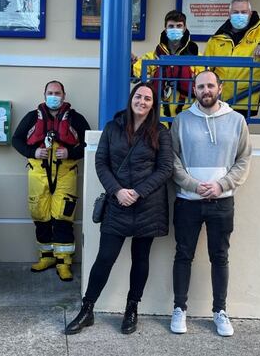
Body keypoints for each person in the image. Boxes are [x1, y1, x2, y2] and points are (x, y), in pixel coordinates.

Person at [65, 82, 173, 336]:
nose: (142, 102)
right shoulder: (113, 128)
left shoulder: (160, 132)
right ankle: (87, 309)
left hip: (148, 205)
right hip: (118, 203)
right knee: (105, 258)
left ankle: (131, 309)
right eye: (138, 96)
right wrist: (118, 191)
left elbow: (165, 168)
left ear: (153, 104)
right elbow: (101, 162)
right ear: (131, 99)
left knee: (141, 259)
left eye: (147, 99)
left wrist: (138, 192)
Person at [169, 70, 252, 337]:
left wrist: (221, 185)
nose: (206, 90)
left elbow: (243, 159)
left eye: (210, 86)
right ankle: (179, 308)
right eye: (201, 86)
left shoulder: (237, 121)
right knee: (183, 254)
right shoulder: (181, 121)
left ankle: (220, 311)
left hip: (222, 201)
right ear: (194, 90)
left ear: (220, 88)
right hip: (187, 201)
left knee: (220, 257)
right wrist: (193, 185)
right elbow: (172, 160)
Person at [11, 81, 91, 282]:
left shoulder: (76, 119)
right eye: (50, 92)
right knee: (40, 216)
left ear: (64, 95)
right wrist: (33, 152)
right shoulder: (31, 117)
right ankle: (46, 257)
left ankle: (64, 262)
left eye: (57, 93)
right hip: (38, 175)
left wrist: (71, 153)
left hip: (65, 175)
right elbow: (16, 140)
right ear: (44, 94)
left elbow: (89, 144)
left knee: (63, 217)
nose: (53, 96)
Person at [204, 0, 260, 118]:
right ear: (229, 14)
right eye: (235, 12)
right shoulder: (216, 39)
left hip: (245, 99)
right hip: (219, 100)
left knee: (239, 130)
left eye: (243, 12)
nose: (239, 15)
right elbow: (205, 68)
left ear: (250, 14)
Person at [132, 10, 201, 123]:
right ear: (165, 29)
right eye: (171, 26)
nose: (175, 29)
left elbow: (204, 82)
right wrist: (130, 64)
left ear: (184, 28)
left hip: (188, 115)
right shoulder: (153, 56)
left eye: (179, 26)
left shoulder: (196, 57)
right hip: (159, 116)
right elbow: (135, 72)